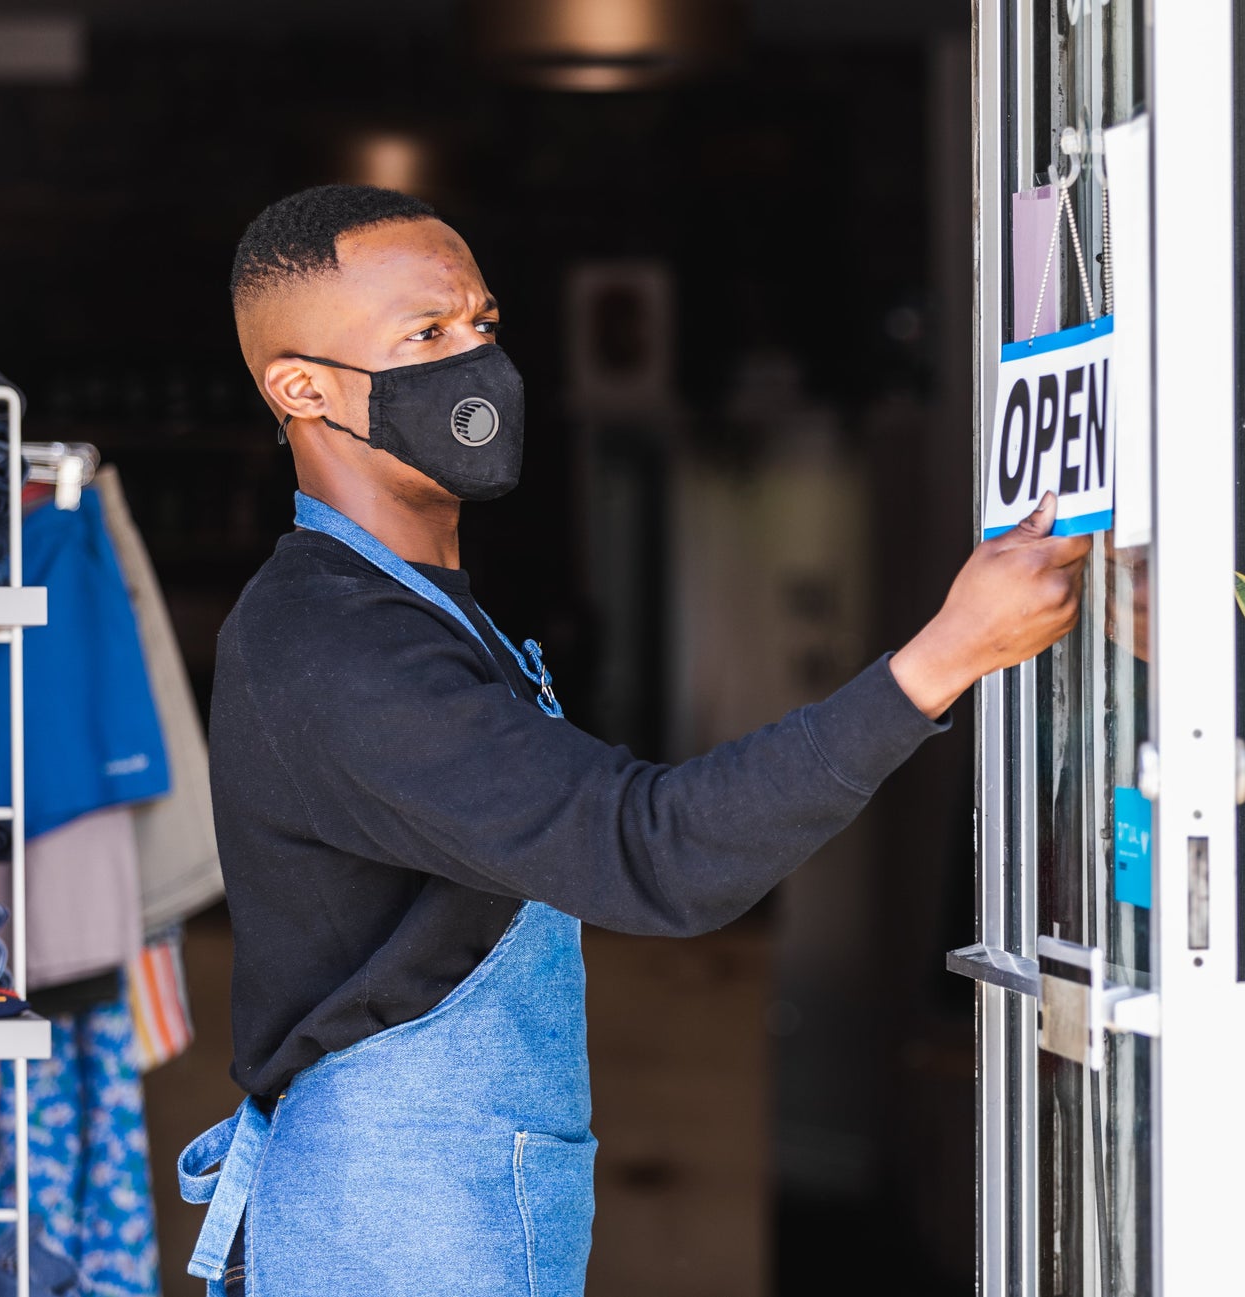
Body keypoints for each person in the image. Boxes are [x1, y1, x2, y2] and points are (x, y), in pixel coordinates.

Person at [175, 185, 1091, 1297]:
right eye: (426, 334)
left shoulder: (419, 609)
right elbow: (650, 852)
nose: (477, 361)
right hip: (395, 1228)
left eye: (483, 323)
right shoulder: (334, 643)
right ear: (302, 387)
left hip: (448, 1202)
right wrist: (944, 655)